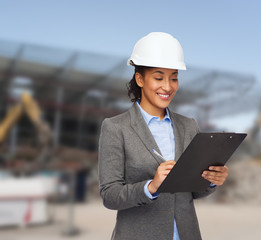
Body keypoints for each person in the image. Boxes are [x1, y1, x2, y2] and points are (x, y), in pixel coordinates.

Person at [98, 32, 229, 240]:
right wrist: (150, 187)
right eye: (159, 78)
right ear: (140, 79)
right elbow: (110, 195)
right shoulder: (116, 128)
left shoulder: (188, 126)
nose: (168, 87)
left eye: (174, 78)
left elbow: (192, 192)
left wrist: (211, 181)